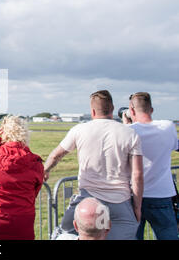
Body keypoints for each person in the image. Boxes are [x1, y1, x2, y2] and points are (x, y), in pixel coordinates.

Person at [44, 90, 144, 240]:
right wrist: (137, 207)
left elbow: (56, 155)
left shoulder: (79, 130)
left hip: (87, 200)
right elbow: (137, 175)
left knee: (63, 234)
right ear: (112, 108)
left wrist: (45, 171)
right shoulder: (130, 133)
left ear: (92, 111)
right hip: (120, 201)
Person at [123, 92, 178, 240]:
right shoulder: (168, 127)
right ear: (151, 109)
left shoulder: (128, 131)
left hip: (133, 195)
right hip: (162, 195)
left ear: (131, 111)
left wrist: (126, 125)